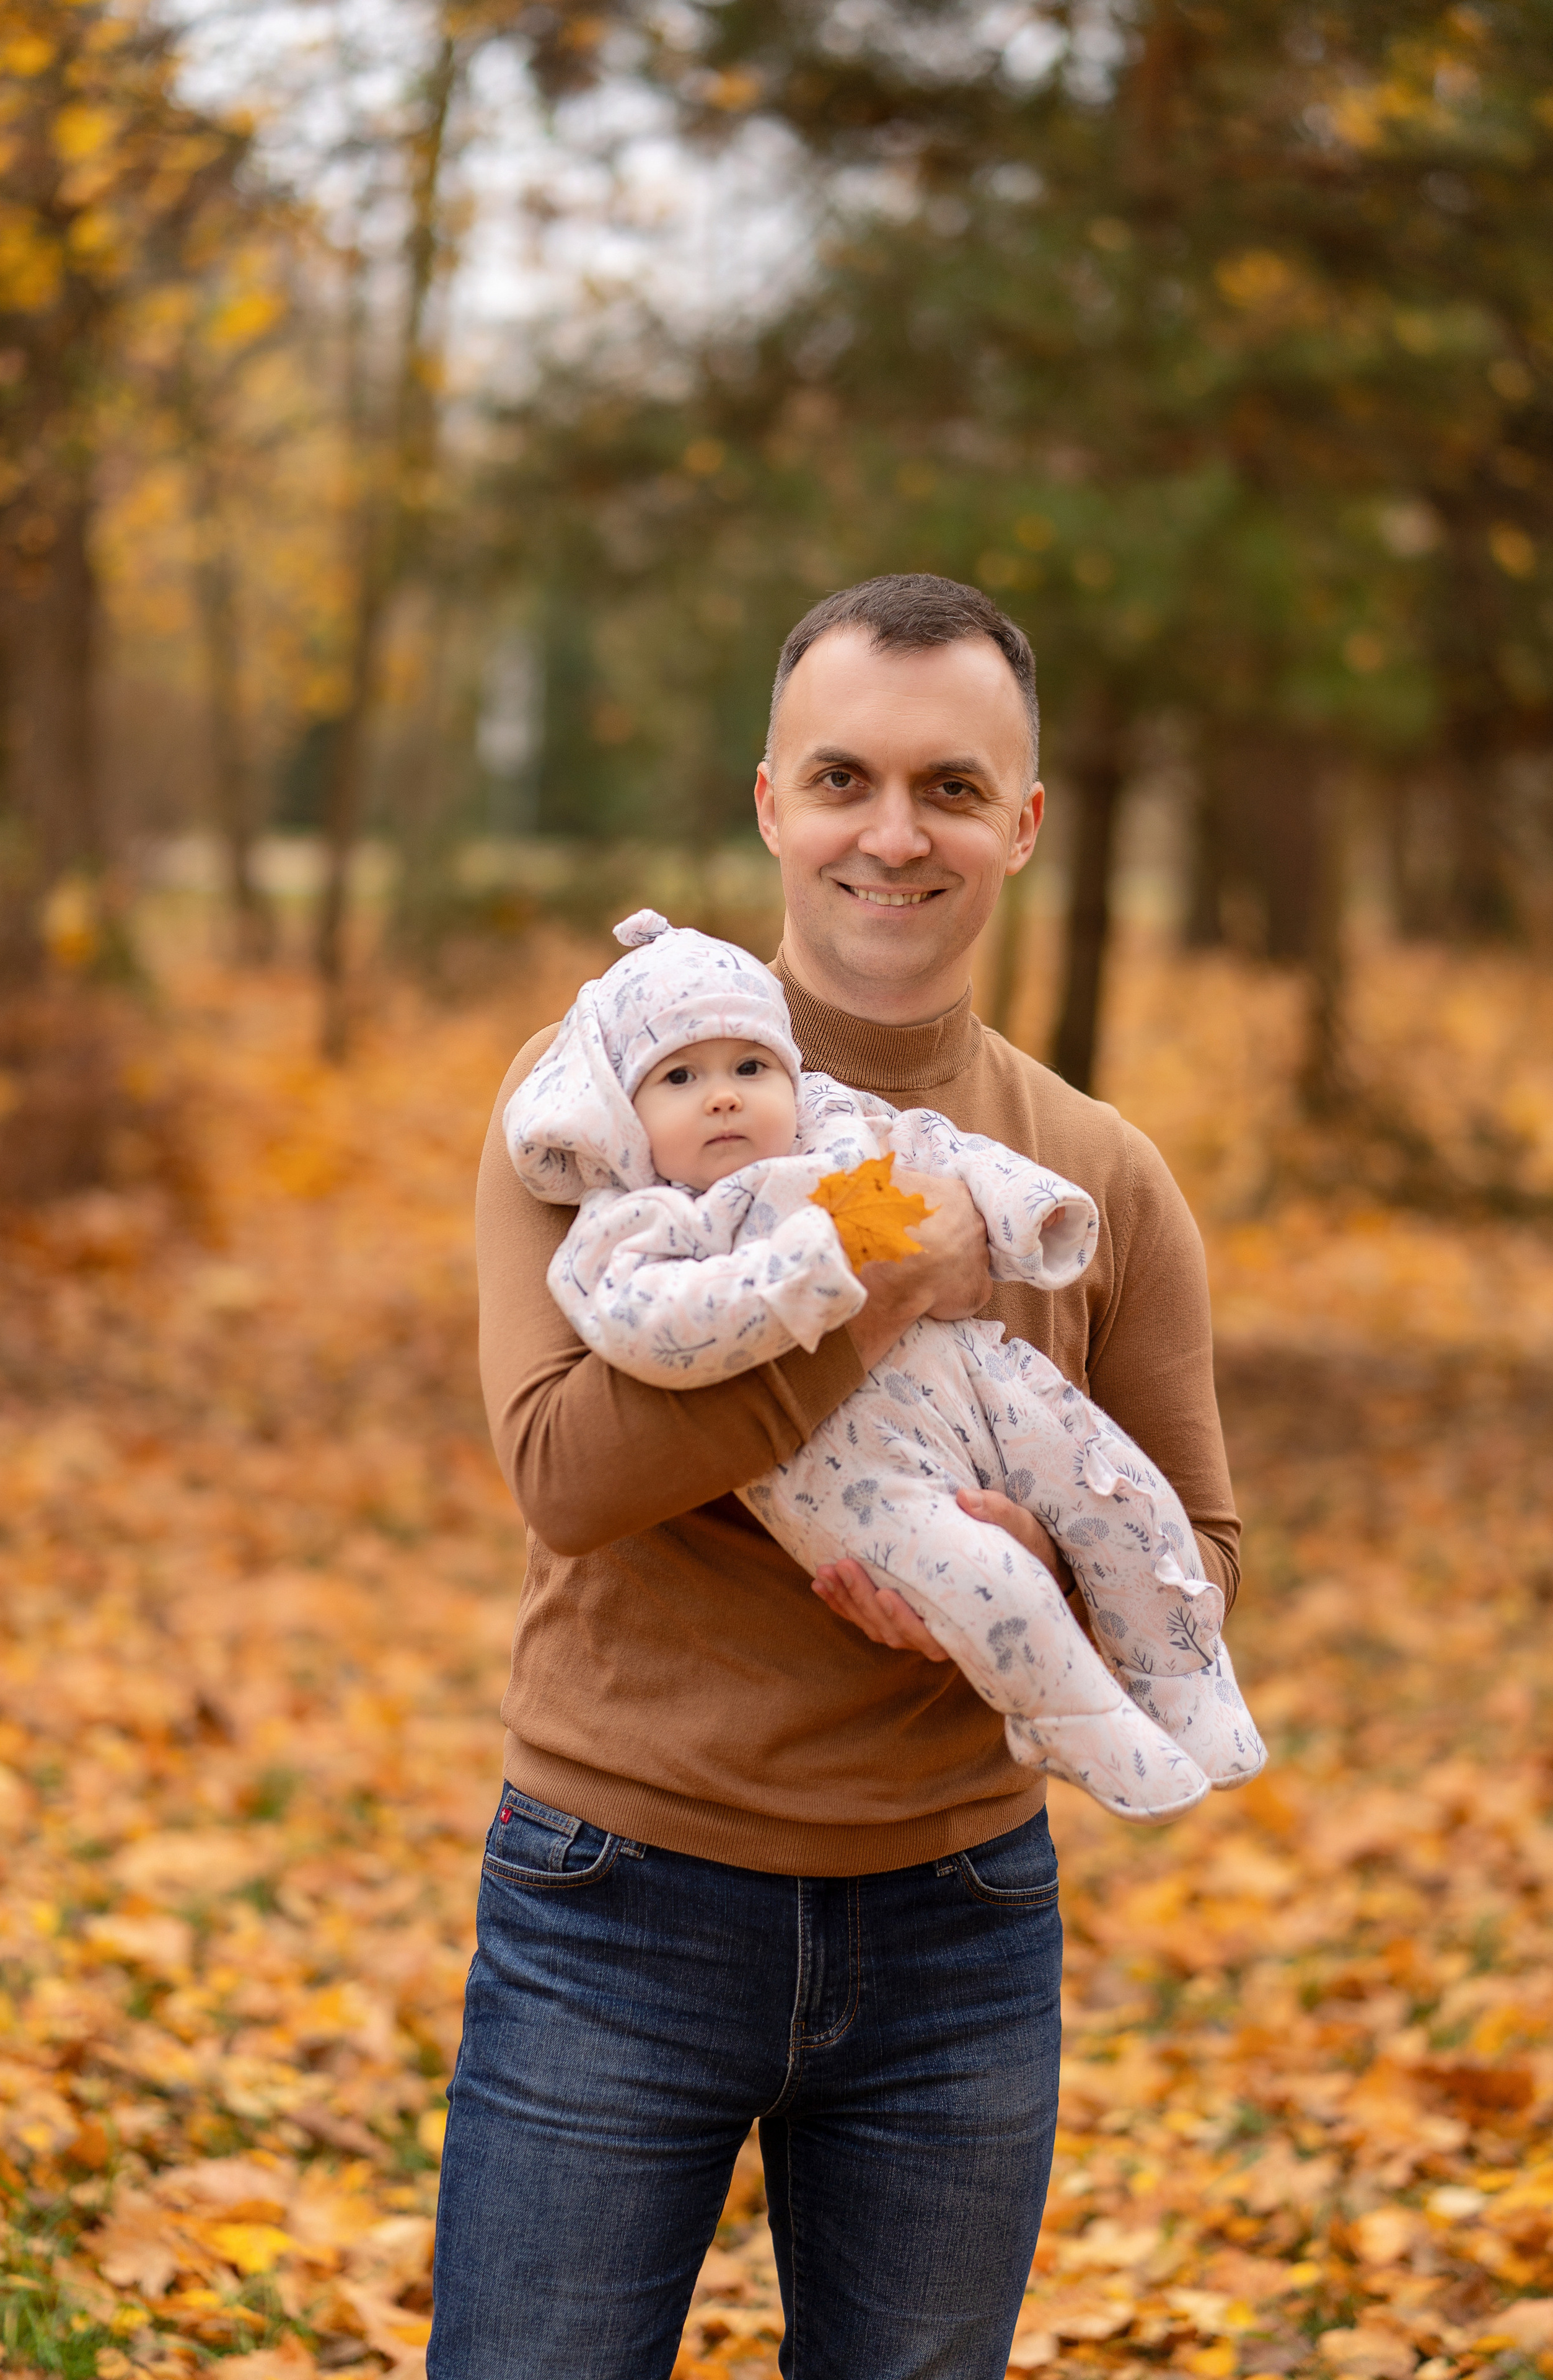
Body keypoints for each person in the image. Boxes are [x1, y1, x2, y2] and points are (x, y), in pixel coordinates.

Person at [429, 573, 1241, 2380]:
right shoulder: (600, 1099)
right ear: (768, 805)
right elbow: (562, 1472)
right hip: (613, 1898)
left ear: (1023, 823)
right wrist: (870, 1294)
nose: (893, 834)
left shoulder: (1094, 1171)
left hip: (960, 1932)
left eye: (951, 788)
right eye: (842, 780)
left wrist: (1037, 1573)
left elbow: (1202, 1549)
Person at [501, 906, 1264, 1820]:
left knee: (1117, 1489)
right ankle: (1075, 1720)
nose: (724, 1096)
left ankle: (1181, 1685)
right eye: (680, 1077)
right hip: (626, 1833)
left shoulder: (856, 1130)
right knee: (990, 1579)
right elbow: (601, 1403)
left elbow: (947, 1153)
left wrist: (1025, 1212)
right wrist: (854, 1275)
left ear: (1022, 833)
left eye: (750, 1068)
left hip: (967, 1861)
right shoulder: (642, 1205)